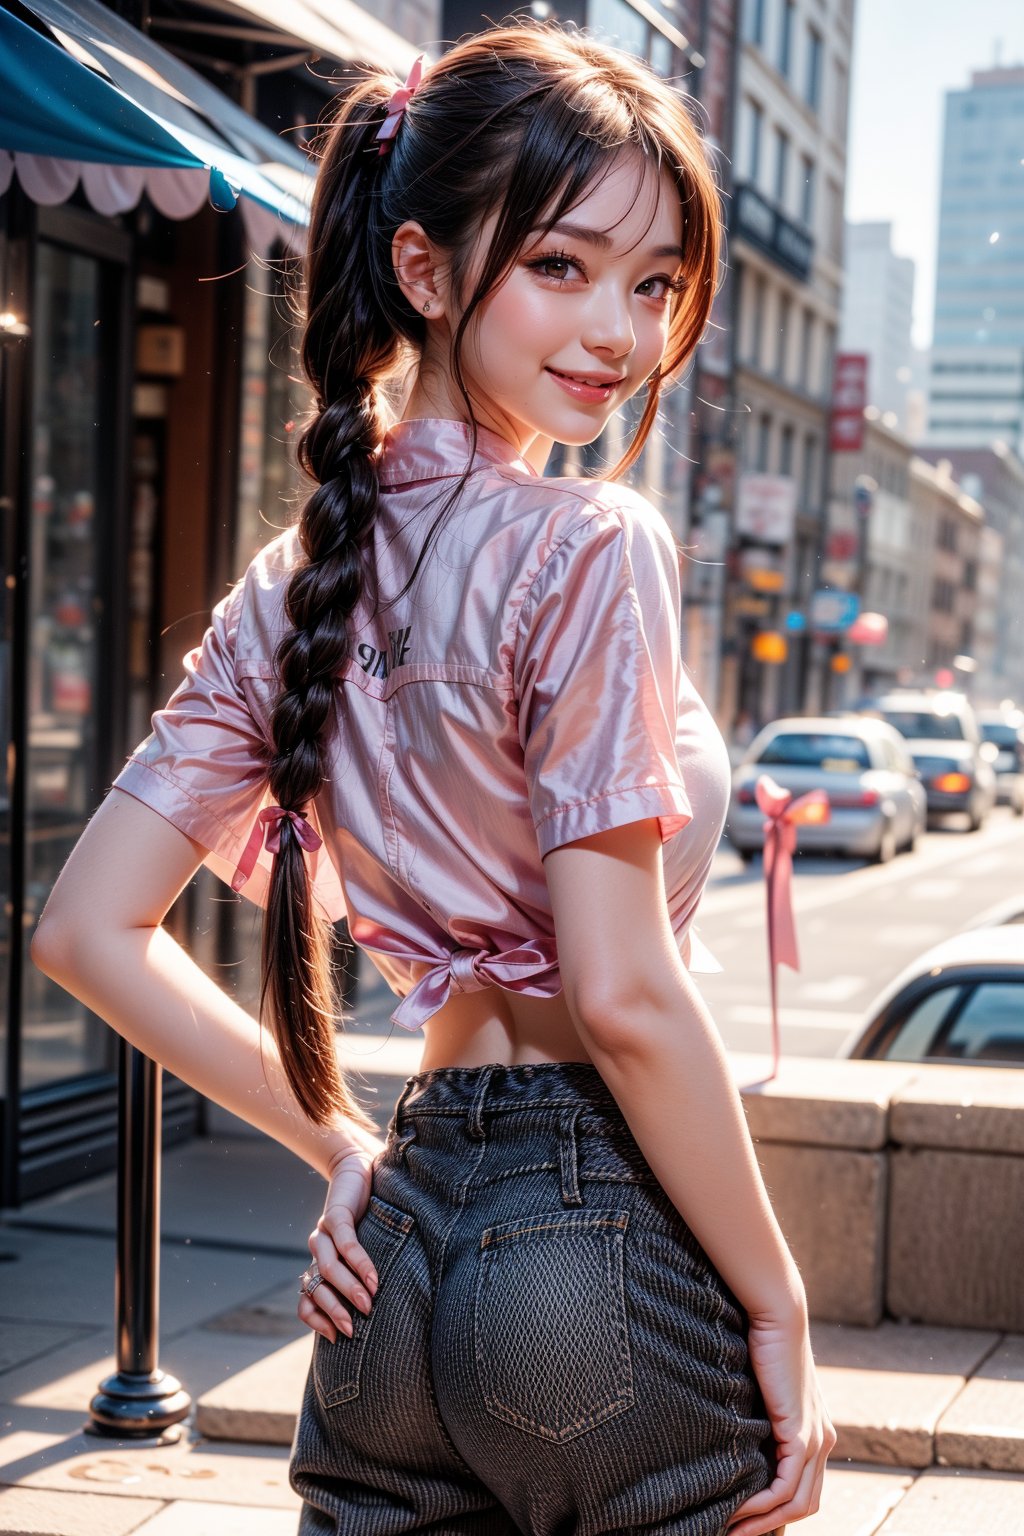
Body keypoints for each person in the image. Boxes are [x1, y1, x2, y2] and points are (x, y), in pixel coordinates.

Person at [31, 21, 835, 1536]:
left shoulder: (293, 581)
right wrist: (781, 1305)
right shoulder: (591, 543)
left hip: (393, 1261)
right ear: (421, 268)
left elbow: (83, 930)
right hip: (591, 1237)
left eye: (656, 284)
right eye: (562, 266)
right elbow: (624, 996)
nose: (621, 330)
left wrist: (341, 1149)